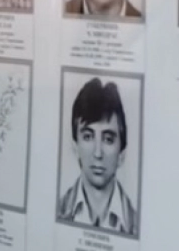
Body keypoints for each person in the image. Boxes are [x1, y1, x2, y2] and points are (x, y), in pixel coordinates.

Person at [58, 78, 138, 236]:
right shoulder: (56, 211)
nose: (98, 153)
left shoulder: (137, 224)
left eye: (108, 139)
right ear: (75, 146)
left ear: (122, 153)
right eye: (88, 137)